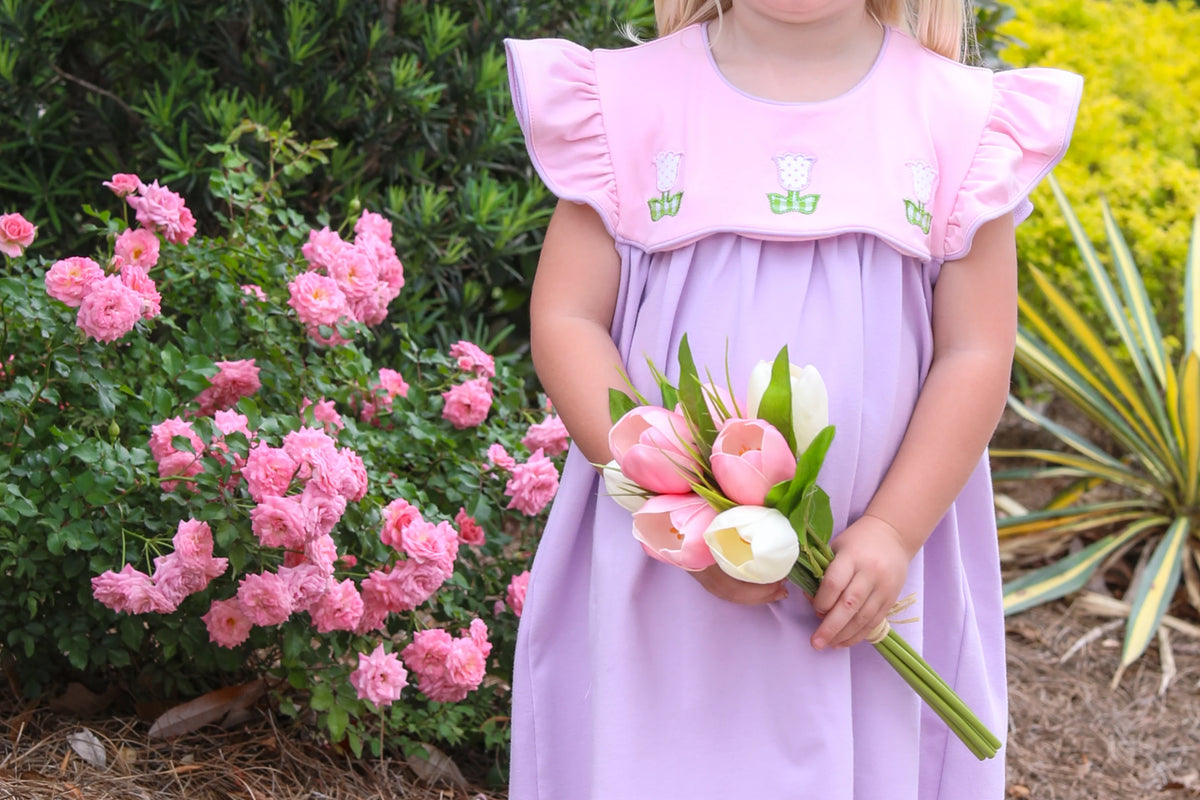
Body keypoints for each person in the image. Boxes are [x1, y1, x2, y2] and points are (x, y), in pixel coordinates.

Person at [503, 0, 1081, 794]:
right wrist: (675, 501)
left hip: (867, 578)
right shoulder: (626, 104)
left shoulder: (959, 122)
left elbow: (974, 353)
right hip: (669, 565)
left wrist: (889, 532)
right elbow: (569, 318)